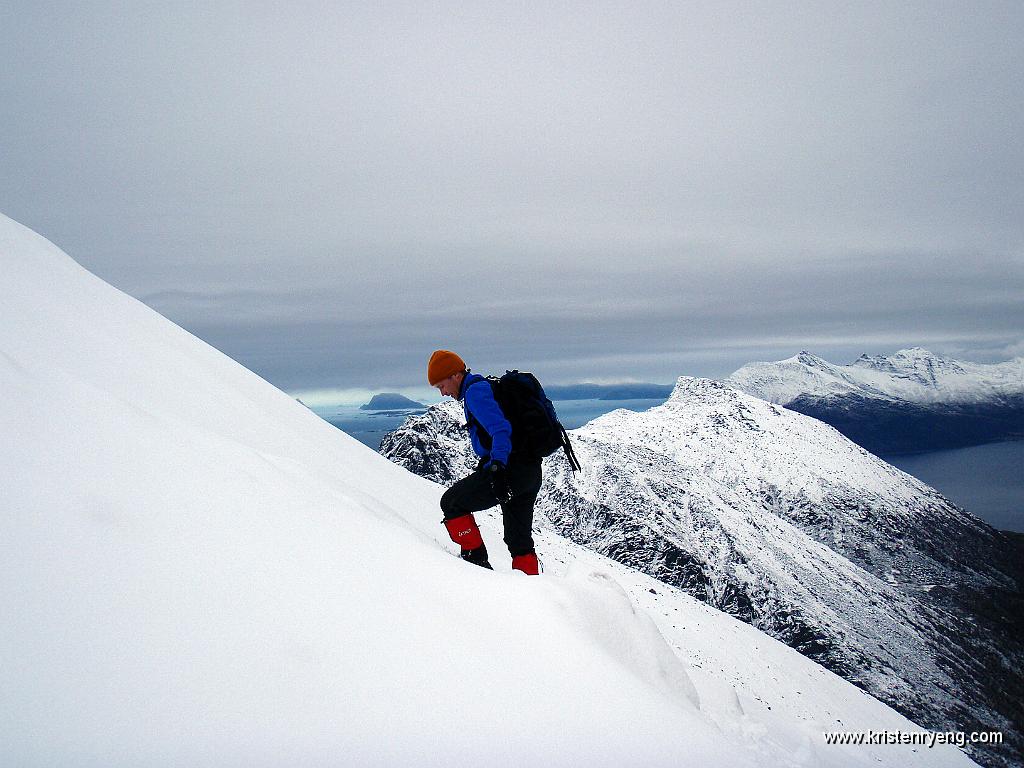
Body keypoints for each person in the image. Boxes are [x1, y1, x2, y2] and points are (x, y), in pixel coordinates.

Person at [428, 349, 542, 575]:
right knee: (519, 541)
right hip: (529, 471)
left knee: (451, 503)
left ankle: (477, 569)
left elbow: (501, 429)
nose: (443, 393)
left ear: (455, 376)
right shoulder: (485, 387)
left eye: (441, 385)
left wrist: (498, 466)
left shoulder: (475, 393)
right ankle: (533, 591)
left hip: (508, 469)